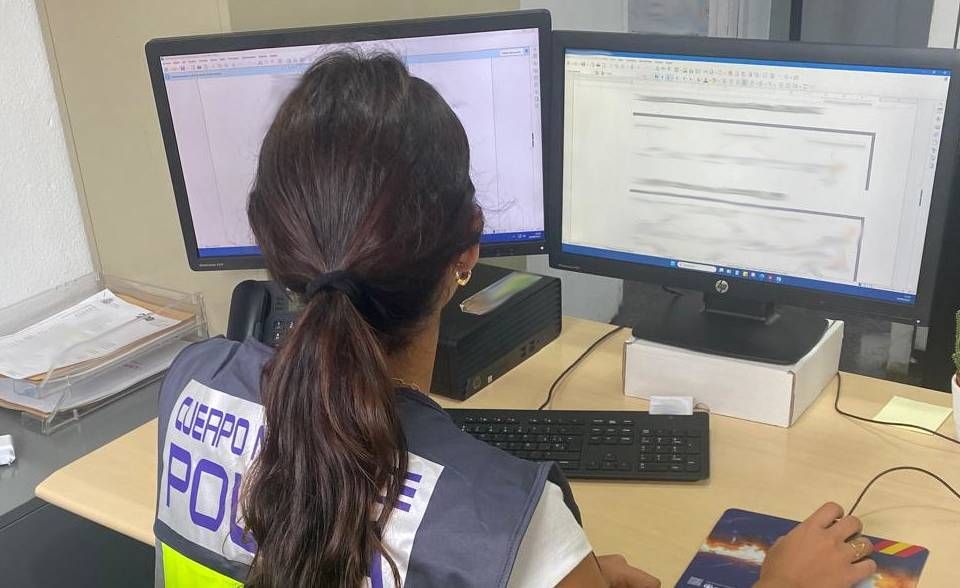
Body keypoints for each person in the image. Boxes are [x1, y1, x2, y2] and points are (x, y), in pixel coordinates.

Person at [153, 51, 876, 588]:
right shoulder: (506, 521)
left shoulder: (191, 384)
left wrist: (559, 574)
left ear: (271, 240)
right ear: (468, 248)